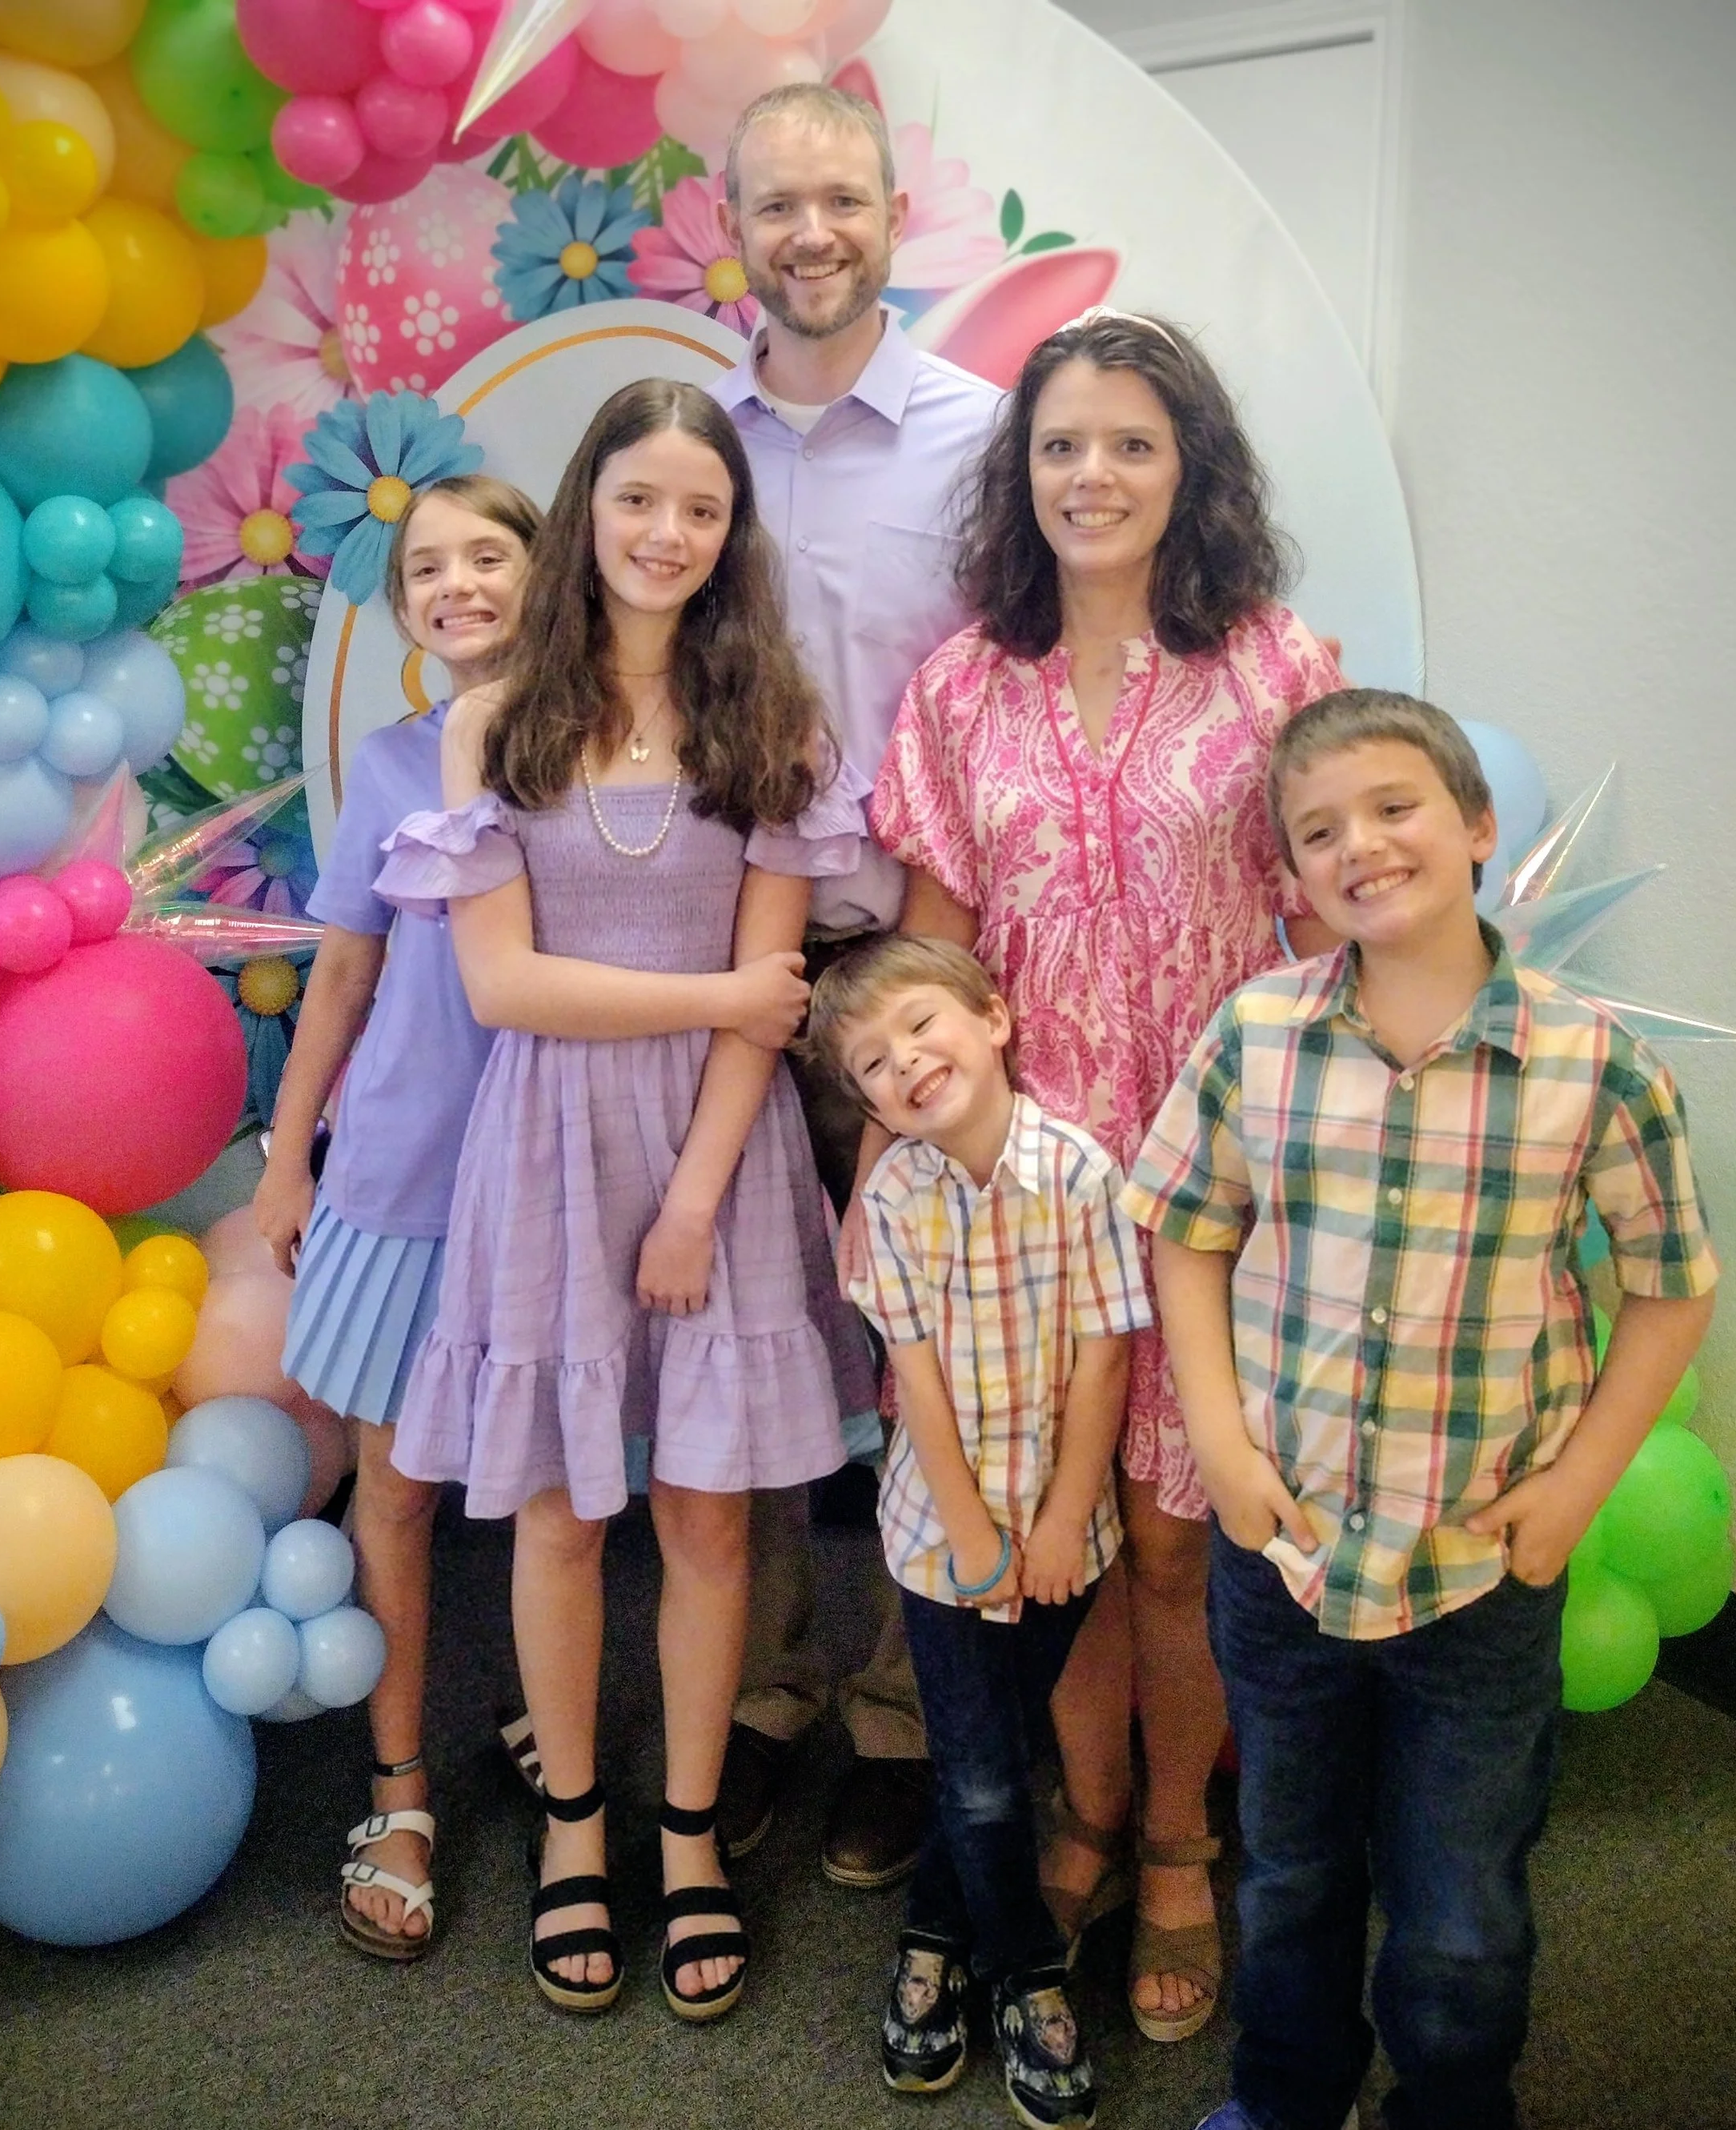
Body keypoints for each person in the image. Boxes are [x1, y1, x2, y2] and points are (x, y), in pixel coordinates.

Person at [1121, 690, 1718, 2130]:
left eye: (1394, 806)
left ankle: (1452, 2107)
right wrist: (1214, 1435)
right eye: (1318, 831)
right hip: (1287, 1552)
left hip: (1481, 1573)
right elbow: (1187, 1231)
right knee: (1291, 1866)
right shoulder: (1258, 1031)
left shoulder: (1596, 1064)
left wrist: (1573, 1490)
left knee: (1462, 1911)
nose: (1361, 845)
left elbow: (1671, 1286)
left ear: (1477, 826)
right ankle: (1285, 2094)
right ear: (1294, 874)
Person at [371, 378, 872, 2022]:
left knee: (709, 1512)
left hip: (714, 1164)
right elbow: (504, 985)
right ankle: (573, 1826)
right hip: (543, 1145)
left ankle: (686, 1838)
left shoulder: (770, 722)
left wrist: (697, 1190)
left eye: (700, 509)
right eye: (637, 499)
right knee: (558, 1509)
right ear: (586, 508)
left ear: (731, 539)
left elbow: (775, 985)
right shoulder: (494, 720)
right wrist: (721, 1001)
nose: (666, 533)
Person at [870, 308, 1344, 2040]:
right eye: (1061, 444)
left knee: (1171, 1542)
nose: (1093, 474)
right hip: (1021, 1202)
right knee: (1047, 1540)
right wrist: (889, 1190)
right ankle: (1074, 1814)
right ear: (1021, 470)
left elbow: (1328, 928)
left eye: (1132, 443)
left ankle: (1167, 1845)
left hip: (1223, 1188)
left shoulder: (1278, 667)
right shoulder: (953, 686)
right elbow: (920, 959)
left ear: (1187, 467)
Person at [704, 79, 1003, 1890]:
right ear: (727, 222)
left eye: (839, 200)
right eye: (773, 206)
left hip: (912, 960)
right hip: (725, 963)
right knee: (740, 1344)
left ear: (893, 212)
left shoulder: (986, 438)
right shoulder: (687, 440)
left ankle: (899, 1711)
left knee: (920, 1347)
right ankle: (758, 1694)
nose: (808, 232)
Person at [255, 472, 543, 1960]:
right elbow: (347, 979)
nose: (458, 583)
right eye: (427, 566)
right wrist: (288, 1155)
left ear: (539, 572)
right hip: (402, 1171)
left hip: (553, 1175)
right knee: (402, 1490)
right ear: (403, 605)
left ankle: (545, 1718)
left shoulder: (594, 749)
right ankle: (402, 1777)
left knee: (550, 1484)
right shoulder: (387, 762)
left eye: (488, 555)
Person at [805, 935, 1149, 2130]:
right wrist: (969, 1533)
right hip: (942, 1539)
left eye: (918, 1028)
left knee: (992, 1761)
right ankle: (1032, 1981)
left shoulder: (1085, 1174)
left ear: (995, 1018)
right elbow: (914, 1377)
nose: (903, 1064)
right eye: (870, 1065)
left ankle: (930, 1935)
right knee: (991, 1783)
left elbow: (1108, 1354)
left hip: (1066, 1536)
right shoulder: (896, 1199)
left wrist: (1060, 1520)